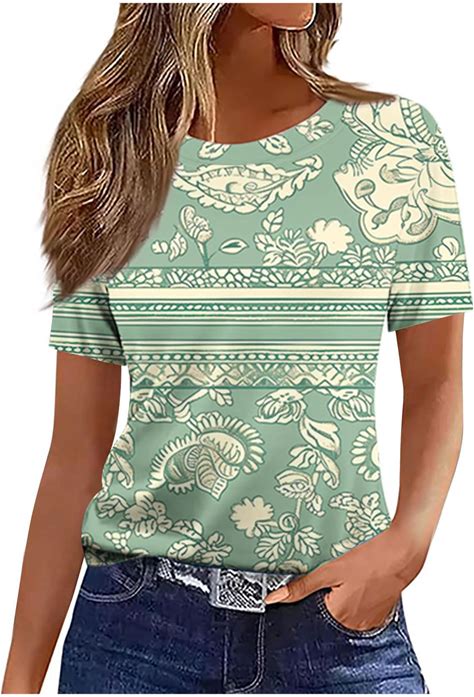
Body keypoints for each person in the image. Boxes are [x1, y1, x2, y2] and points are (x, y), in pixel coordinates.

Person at [2, 3, 472, 694]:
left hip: (337, 637)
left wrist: (407, 546)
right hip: (135, 634)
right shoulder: (109, 153)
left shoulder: (395, 142)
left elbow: (436, 382)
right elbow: (76, 450)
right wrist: (18, 682)